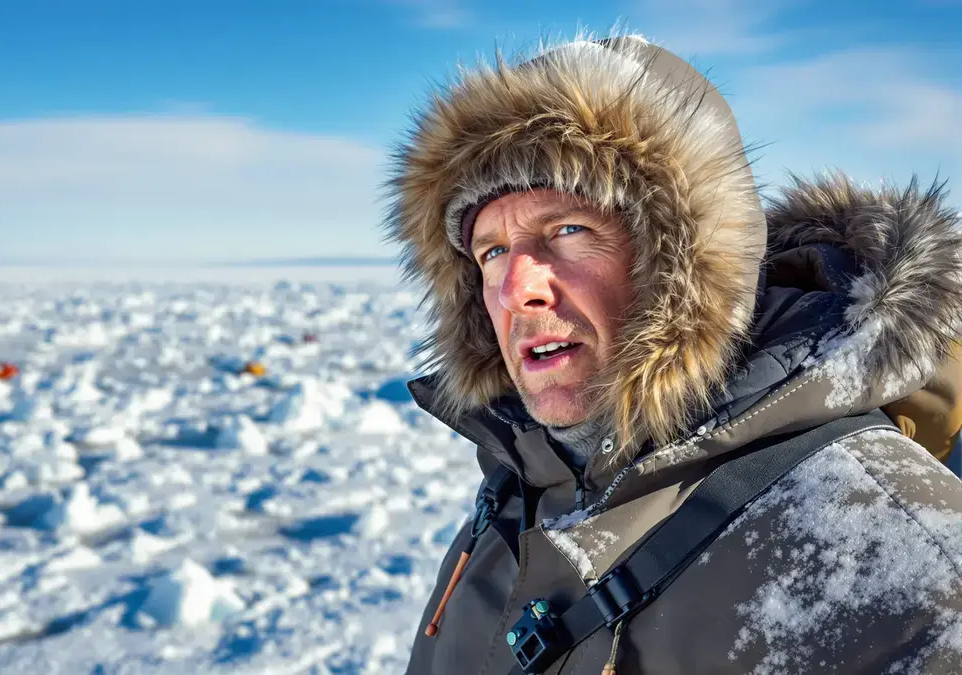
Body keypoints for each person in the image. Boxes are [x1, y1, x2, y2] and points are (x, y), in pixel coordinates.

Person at [387, 33, 962, 675]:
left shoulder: (903, 568)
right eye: (492, 251)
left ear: (684, 263)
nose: (517, 288)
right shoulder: (524, 481)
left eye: (568, 230)